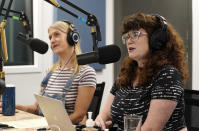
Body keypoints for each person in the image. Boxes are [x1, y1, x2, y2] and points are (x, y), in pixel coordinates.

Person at [95, 13, 189, 131]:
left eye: (135, 34)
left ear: (156, 39)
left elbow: (151, 129)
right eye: (127, 36)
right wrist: (100, 122)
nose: (129, 41)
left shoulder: (168, 75)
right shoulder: (126, 74)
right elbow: (104, 115)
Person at [11, 21, 96, 124]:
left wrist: (50, 126)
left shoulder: (86, 72)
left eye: (57, 35)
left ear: (72, 37)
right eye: (50, 37)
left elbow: (78, 116)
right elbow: (36, 109)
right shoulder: (50, 72)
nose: (52, 40)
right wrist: (14, 106)